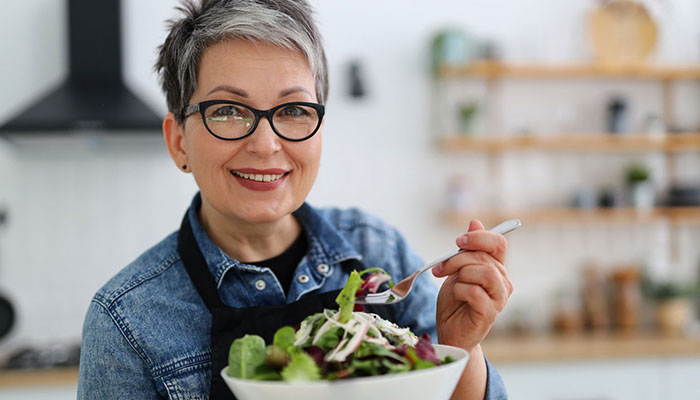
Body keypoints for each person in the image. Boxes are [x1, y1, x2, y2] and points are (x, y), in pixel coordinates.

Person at [77, 0, 513, 399]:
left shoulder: (379, 250)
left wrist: (461, 347)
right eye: (228, 110)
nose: (265, 145)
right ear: (179, 143)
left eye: (293, 110)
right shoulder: (125, 320)